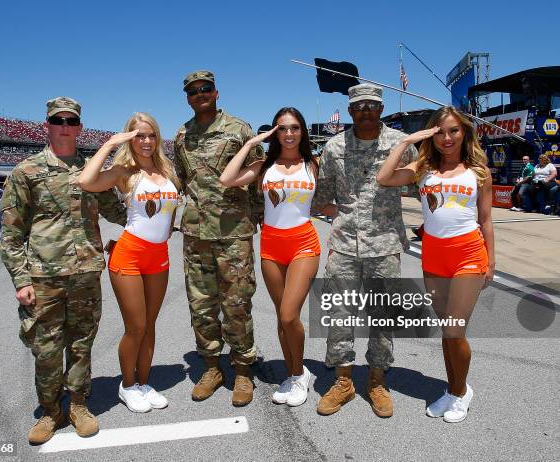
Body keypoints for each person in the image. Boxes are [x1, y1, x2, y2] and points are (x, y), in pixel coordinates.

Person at [0, 97, 127, 444]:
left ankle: (80, 405)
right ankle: (51, 410)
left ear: (80, 127)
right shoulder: (26, 172)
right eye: (59, 121)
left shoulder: (92, 170)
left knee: (82, 345)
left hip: (86, 274)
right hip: (44, 276)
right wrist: (21, 279)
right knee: (47, 348)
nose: (65, 126)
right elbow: (11, 234)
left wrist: (147, 190)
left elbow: (118, 213)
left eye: (71, 121)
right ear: (47, 126)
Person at [377, 105, 495, 423]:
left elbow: (486, 220)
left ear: (464, 132)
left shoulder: (479, 172)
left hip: (469, 254)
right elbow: (384, 177)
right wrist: (406, 142)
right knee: (447, 330)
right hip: (434, 255)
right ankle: (452, 389)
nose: (446, 138)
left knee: (455, 331)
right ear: (432, 134)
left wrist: (491, 261)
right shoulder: (422, 168)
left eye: (453, 130)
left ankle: (460, 392)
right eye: (440, 131)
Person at [312, 84, 418, 418]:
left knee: (382, 315)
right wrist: (343, 219)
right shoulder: (334, 146)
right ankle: (343, 380)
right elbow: (323, 194)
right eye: (359, 106)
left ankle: (377, 379)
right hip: (344, 246)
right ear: (350, 110)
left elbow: (421, 183)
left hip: (384, 246)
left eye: (372, 105)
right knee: (339, 314)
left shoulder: (400, 144)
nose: (366, 111)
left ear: (382, 108)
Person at [220, 107, 327, 406]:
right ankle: (295, 373)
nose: (289, 134)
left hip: (303, 244)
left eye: (294, 128)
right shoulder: (264, 165)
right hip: (270, 246)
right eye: (282, 128)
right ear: (274, 133)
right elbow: (228, 179)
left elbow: (330, 197)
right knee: (282, 318)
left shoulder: (314, 164)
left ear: (303, 131)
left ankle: (297, 374)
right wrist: (252, 143)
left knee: (288, 314)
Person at [173, 70, 264, 406]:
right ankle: (212, 366)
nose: (200, 94)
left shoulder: (239, 129)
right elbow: (182, 181)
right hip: (196, 233)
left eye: (205, 88)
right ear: (187, 97)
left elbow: (256, 177)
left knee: (237, 303)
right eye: (193, 91)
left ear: (216, 92)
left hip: (233, 232)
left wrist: (258, 217)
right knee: (201, 305)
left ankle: (242, 369)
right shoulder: (183, 135)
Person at [78, 112, 179, 413]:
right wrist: (110, 144)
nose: (146, 141)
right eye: (138, 136)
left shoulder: (168, 169)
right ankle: (128, 385)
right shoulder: (124, 170)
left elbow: (170, 213)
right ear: (129, 138)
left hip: (158, 255)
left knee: (149, 326)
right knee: (135, 326)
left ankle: (144, 382)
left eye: (150, 135)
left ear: (157, 137)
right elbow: (86, 181)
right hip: (130, 254)